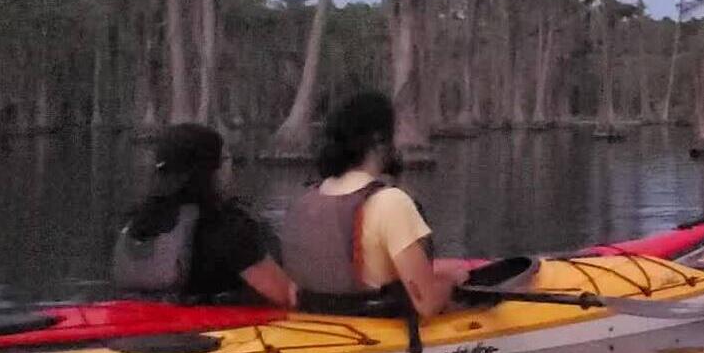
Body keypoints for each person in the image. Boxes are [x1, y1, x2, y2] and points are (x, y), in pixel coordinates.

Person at [281, 92, 469, 318]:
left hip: (312, 331)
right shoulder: (392, 202)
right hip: (375, 335)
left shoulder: (302, 201)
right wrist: (452, 283)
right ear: (380, 141)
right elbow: (426, 304)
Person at [113, 124, 296, 307]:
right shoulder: (229, 228)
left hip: (139, 326)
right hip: (205, 331)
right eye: (225, 159)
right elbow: (284, 295)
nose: (230, 166)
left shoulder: (134, 222)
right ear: (211, 171)